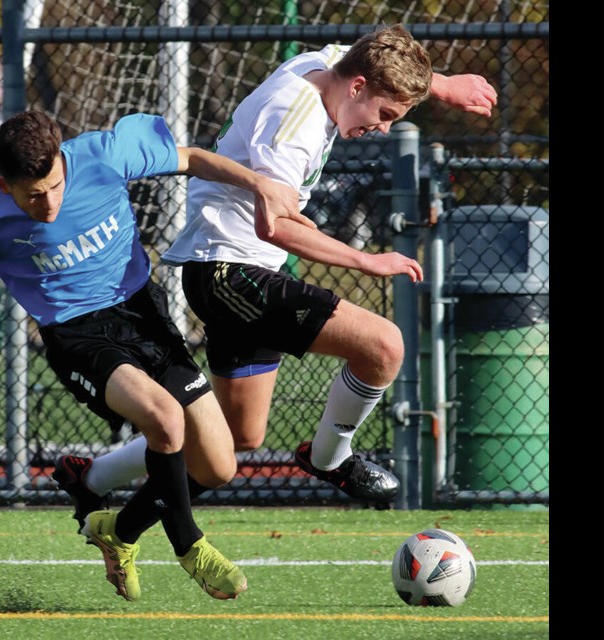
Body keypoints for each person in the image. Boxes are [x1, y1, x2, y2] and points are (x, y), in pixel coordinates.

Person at [0, 109, 311, 602]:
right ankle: (189, 545)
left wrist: (259, 184)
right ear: (5, 186)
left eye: (53, 186)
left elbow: (192, 158)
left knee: (218, 466)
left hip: (142, 315)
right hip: (76, 336)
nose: (48, 203)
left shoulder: (104, 156)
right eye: (32, 195)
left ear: (64, 162)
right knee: (164, 418)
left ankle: (119, 527)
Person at [52, 25, 497, 518]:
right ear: (357, 89)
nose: (384, 128)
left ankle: (91, 480)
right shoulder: (296, 123)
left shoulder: (325, 66)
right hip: (230, 272)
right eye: (385, 114)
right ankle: (330, 459)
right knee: (384, 345)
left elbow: (366, 53)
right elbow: (275, 228)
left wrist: (444, 83)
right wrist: (368, 260)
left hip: (232, 267)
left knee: (237, 434)